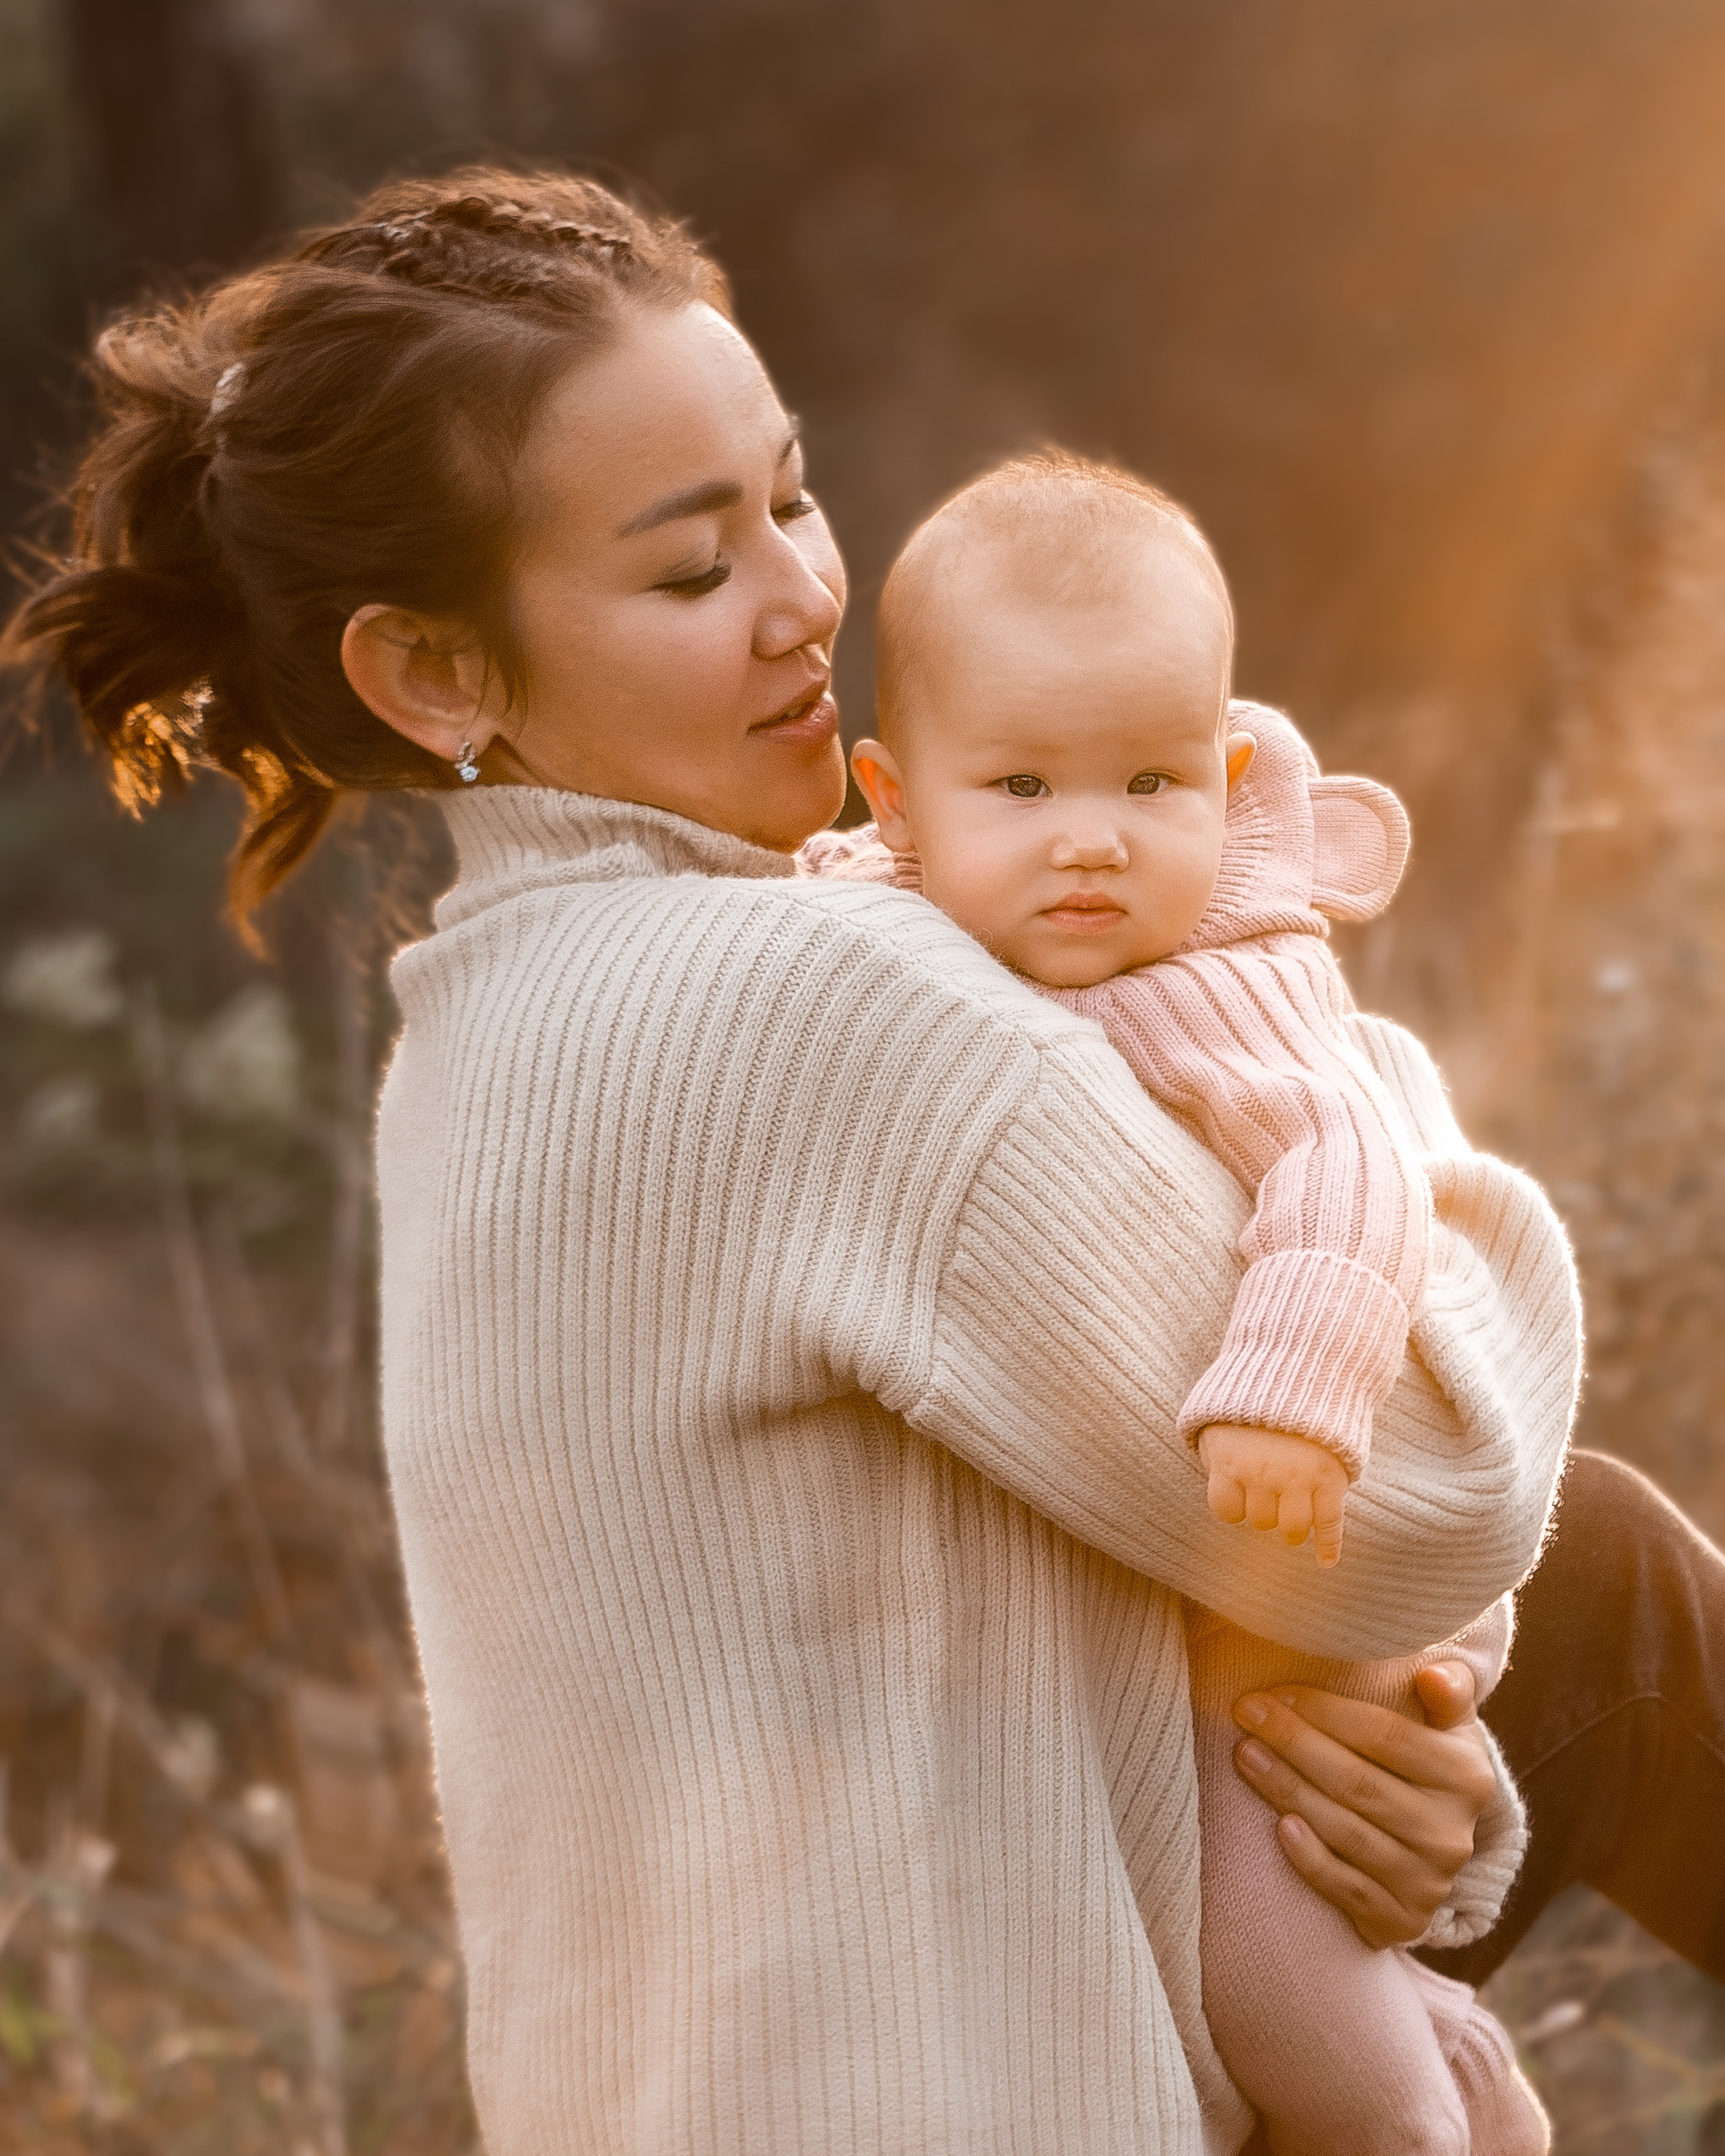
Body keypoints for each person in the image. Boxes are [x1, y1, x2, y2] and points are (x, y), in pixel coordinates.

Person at [2, 162, 1703, 2155]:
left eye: (790, 496)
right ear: (436, 671)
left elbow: (1035, 1622)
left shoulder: (479, 1026)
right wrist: (1339, 1065)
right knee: (1597, 1571)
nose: (807, 595)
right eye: (684, 568)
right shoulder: (806, 1005)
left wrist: (1428, 1791)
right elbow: (1428, 1493)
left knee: (1584, 1594)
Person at [825, 450, 1547, 2153]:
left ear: (1227, 779)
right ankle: (1441, 2048)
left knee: (1277, 1980)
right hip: (1159, 1591)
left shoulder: (1220, 987)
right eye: (1019, 786)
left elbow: (1347, 1166)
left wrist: (1289, 1392)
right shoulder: (862, 937)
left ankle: (1423, 2123)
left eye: (1151, 781)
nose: (1090, 842)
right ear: (892, 798)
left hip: (1291, 1594)